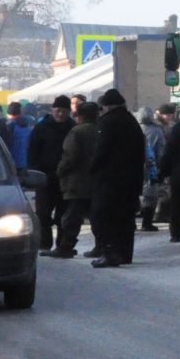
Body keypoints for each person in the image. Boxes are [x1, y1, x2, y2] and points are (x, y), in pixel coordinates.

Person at [88, 88, 145, 268]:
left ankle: (109, 252)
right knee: (125, 219)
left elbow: (101, 150)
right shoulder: (132, 122)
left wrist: (92, 168)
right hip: (131, 179)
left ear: (106, 106)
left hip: (109, 179)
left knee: (102, 216)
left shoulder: (107, 123)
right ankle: (124, 253)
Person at [52, 99, 99, 259]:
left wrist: (59, 172)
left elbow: (69, 157)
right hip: (97, 181)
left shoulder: (77, 132)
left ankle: (66, 246)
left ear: (79, 116)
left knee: (71, 217)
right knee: (96, 216)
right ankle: (100, 246)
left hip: (76, 182)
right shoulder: (101, 130)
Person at [26, 96, 73, 255]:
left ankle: (61, 244)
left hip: (65, 179)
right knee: (43, 214)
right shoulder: (41, 128)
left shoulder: (72, 128)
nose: (60, 114)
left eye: (64, 111)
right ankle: (44, 243)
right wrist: (36, 172)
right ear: (52, 110)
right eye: (58, 110)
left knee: (63, 215)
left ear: (68, 111)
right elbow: (32, 152)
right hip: (44, 179)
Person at [158, 105, 180, 243]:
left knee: (177, 203)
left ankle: (175, 233)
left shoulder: (178, 128)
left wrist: (163, 171)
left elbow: (169, 151)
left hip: (178, 171)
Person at [138, 105, 166, 232]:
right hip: (151, 166)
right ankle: (146, 222)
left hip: (134, 165)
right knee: (150, 194)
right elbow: (161, 151)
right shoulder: (157, 131)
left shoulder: (135, 128)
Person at [4, 101, 32, 172]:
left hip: (11, 162)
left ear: (9, 113)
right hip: (25, 162)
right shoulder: (27, 125)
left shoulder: (10, 125)